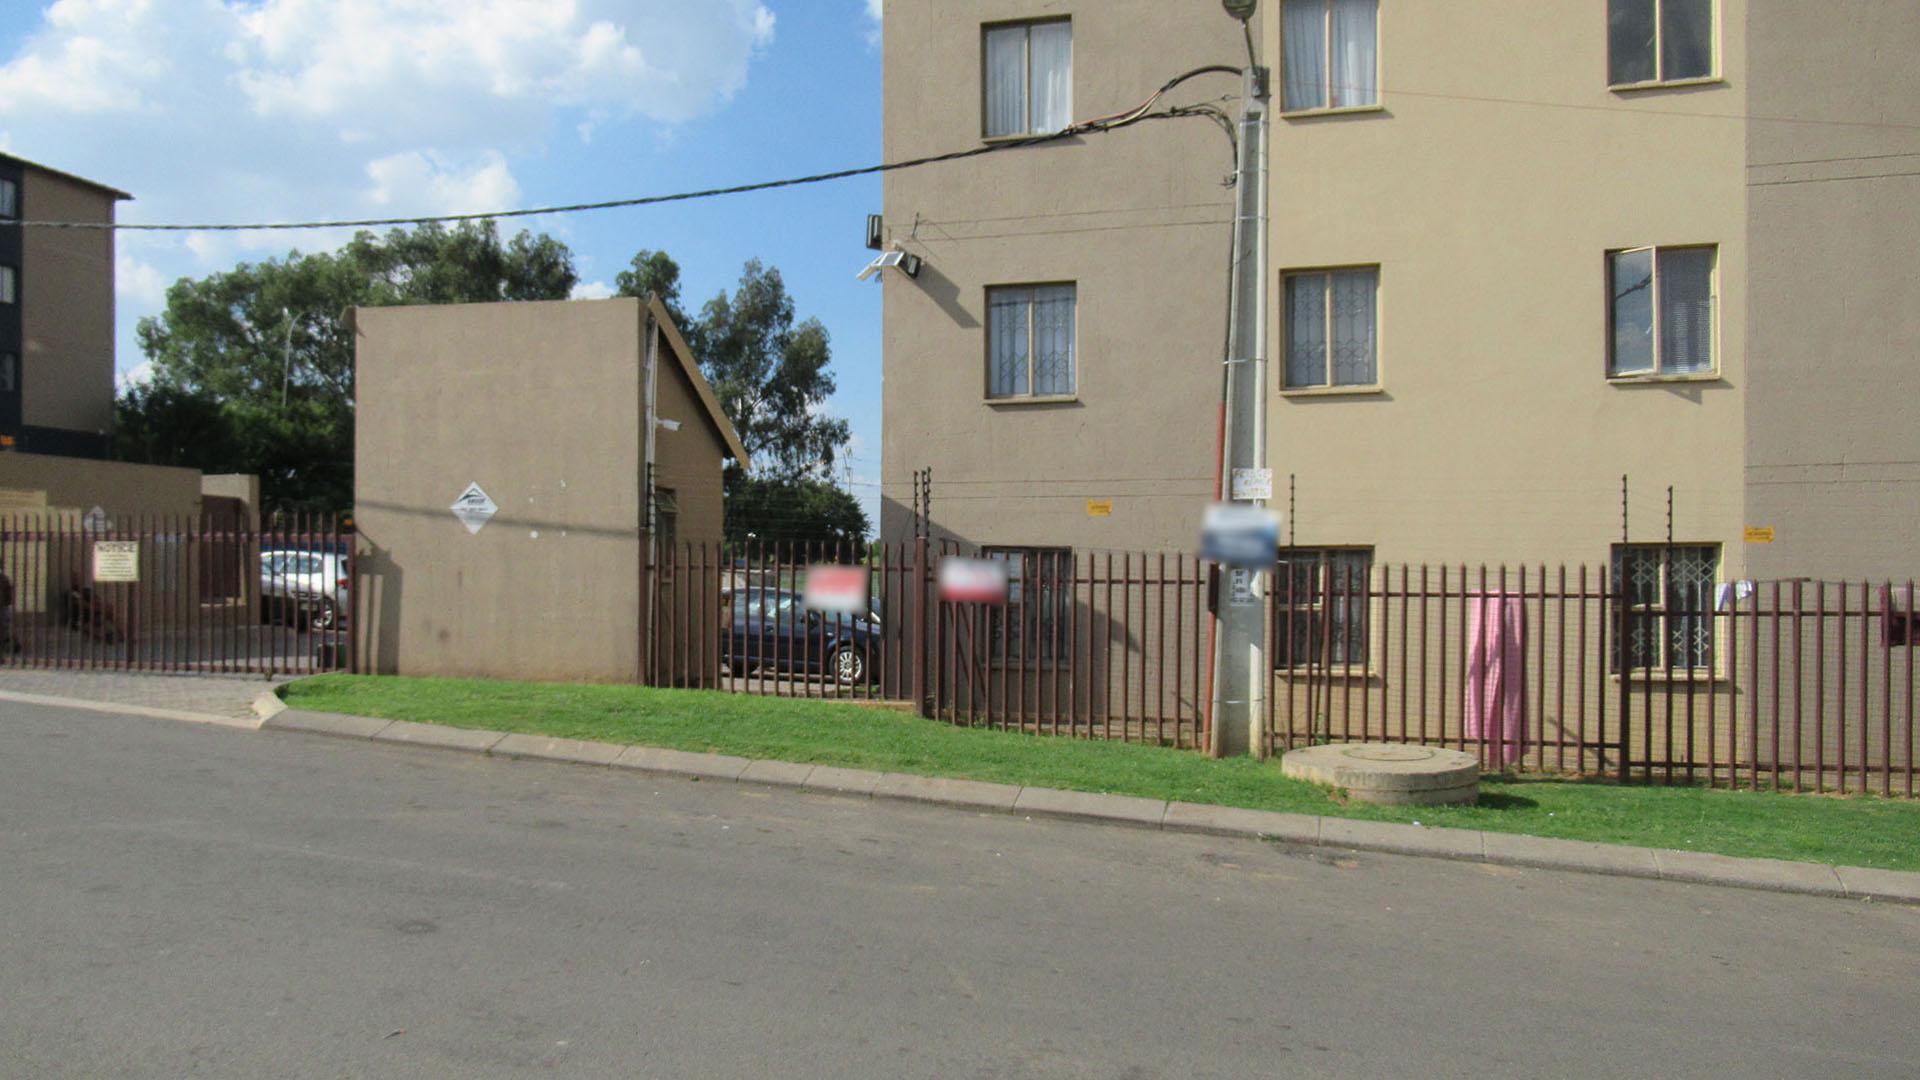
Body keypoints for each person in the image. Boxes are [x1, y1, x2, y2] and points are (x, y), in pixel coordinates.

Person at [0, 555, 15, 658]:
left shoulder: (3, 578)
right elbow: (9, 595)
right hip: (3, 607)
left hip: (3, 607)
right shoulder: (4, 578)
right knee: (4, 628)